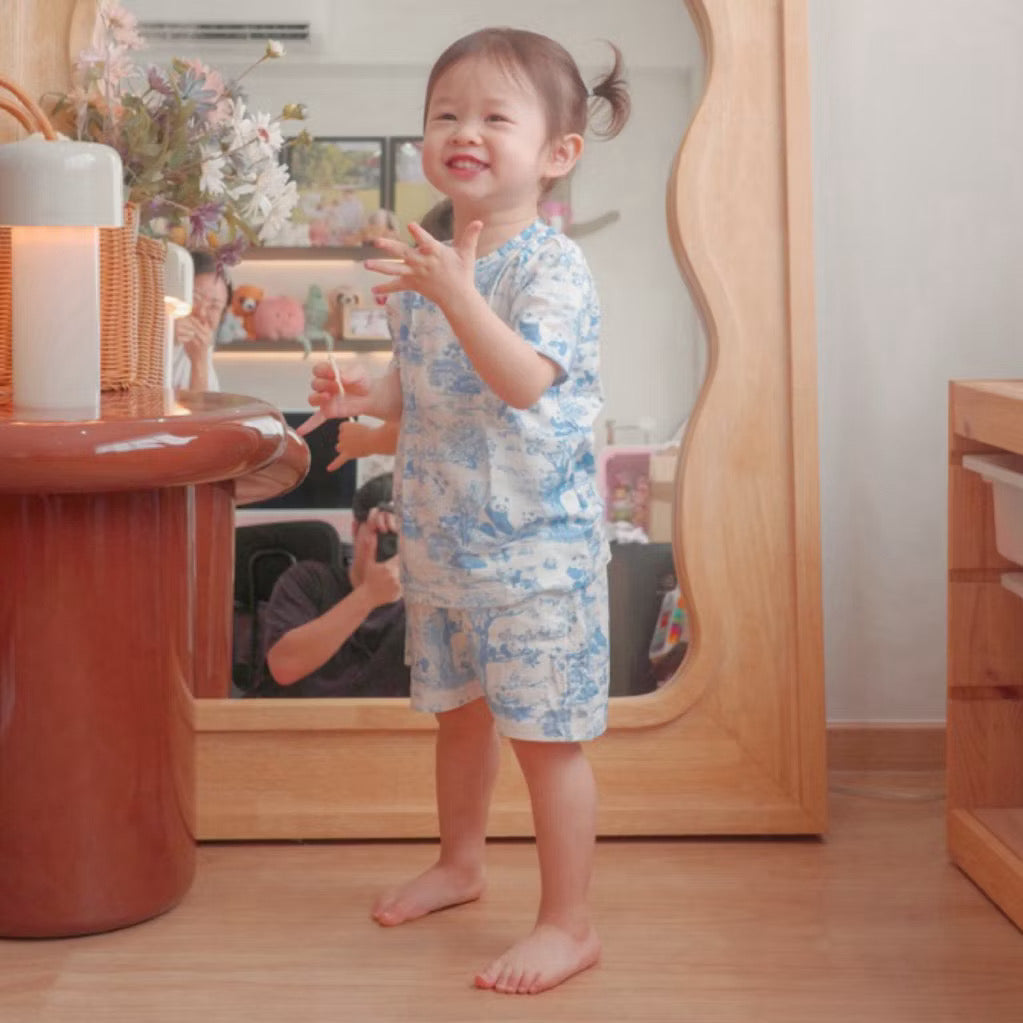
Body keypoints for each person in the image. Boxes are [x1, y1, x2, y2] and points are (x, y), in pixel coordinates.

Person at [301, 27, 629, 996]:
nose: (465, 131)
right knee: (460, 722)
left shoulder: (549, 270)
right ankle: (462, 862)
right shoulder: (427, 262)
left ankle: (570, 924)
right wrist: (358, 397)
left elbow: (522, 379)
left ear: (557, 154)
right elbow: (419, 389)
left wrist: (454, 292)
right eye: (447, 114)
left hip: (537, 565)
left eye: (494, 116)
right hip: (447, 556)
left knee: (545, 742)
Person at [252, 473, 407, 698]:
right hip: (302, 726)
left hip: (385, 729)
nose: (394, 545)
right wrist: (368, 595)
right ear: (355, 530)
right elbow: (284, 667)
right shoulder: (307, 582)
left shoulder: (428, 603)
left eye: (407, 535)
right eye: (383, 533)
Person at [171, 250, 231, 391]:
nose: (201, 313)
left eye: (214, 306)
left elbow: (203, 409)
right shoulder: (145, 333)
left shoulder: (203, 349)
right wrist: (166, 335)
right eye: (195, 298)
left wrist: (199, 361)